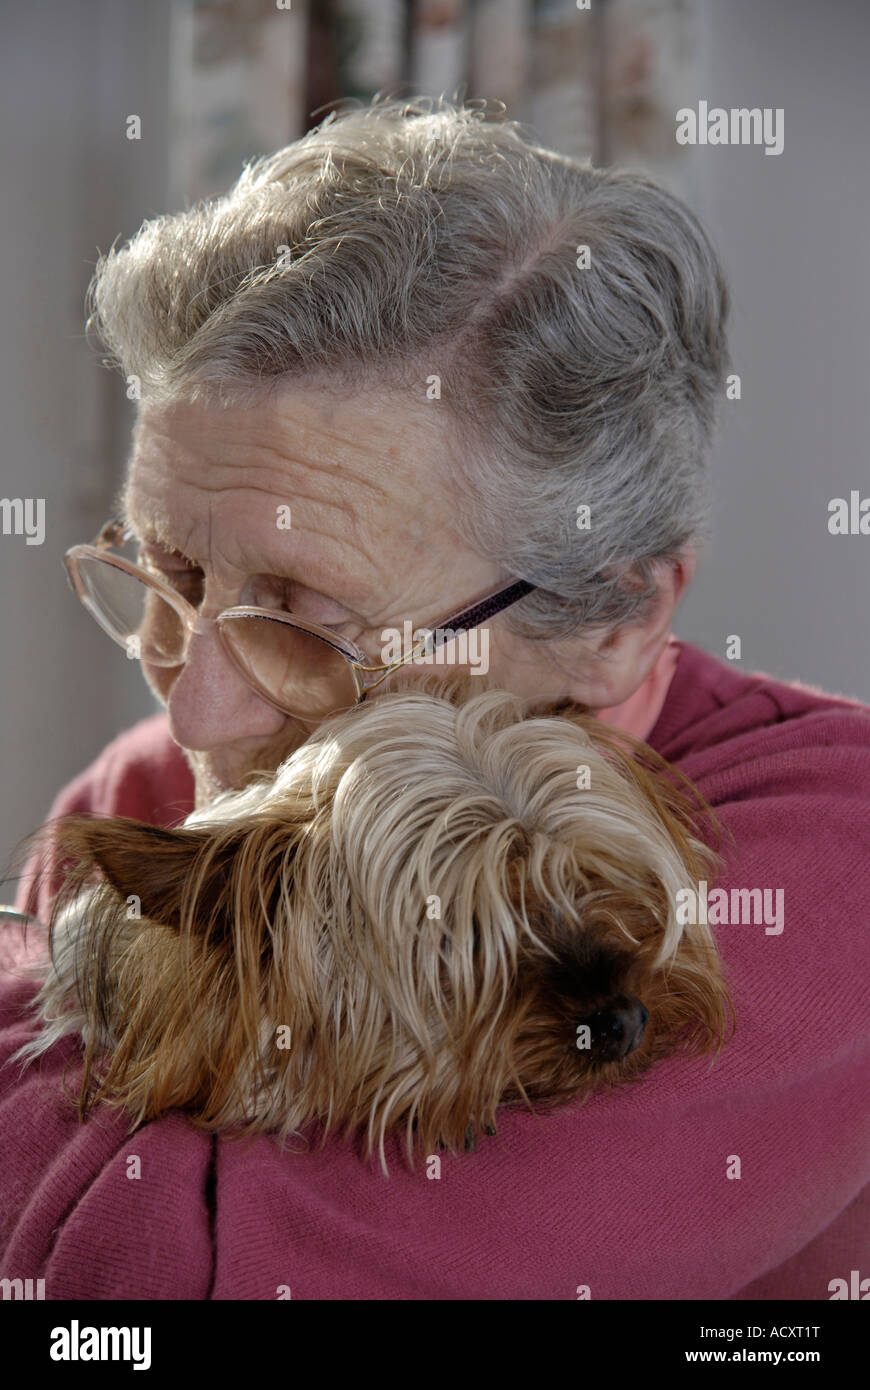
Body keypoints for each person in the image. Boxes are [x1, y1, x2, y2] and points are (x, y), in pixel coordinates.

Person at [1, 98, 868, 1300]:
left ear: (614, 618)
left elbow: (190, 1275)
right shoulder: (138, 799)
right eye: (174, 576)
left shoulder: (832, 846)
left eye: (302, 613)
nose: (194, 714)